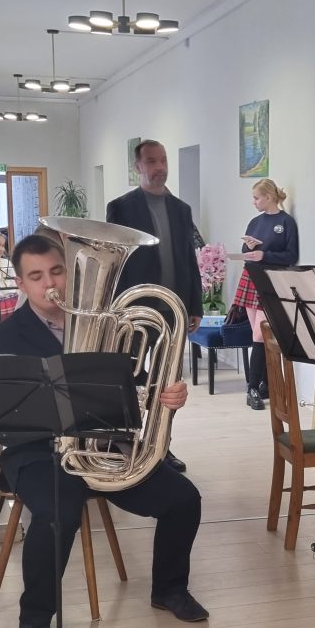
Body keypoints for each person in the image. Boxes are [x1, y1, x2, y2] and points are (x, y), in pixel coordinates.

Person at [0, 234, 208, 628]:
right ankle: (35, 620)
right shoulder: (2, 340)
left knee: (184, 499)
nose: (50, 283)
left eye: (57, 271)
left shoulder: (110, 324)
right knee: (57, 513)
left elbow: (140, 385)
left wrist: (166, 395)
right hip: (38, 452)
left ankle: (170, 589)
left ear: (69, 273)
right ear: (21, 283)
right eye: (36, 276)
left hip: (104, 446)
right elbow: (8, 423)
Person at [106, 139, 204, 472]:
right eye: (151, 161)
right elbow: (115, 261)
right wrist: (117, 311)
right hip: (135, 311)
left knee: (168, 383)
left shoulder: (182, 209)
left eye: (163, 160)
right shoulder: (120, 207)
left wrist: (195, 306)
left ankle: (162, 446)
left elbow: (189, 260)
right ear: (138, 167)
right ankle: (127, 443)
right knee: (129, 378)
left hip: (174, 311)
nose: (159, 167)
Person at [232, 179, 299, 410]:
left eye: (256, 198)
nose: (254, 202)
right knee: (256, 334)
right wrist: (250, 248)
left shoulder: (286, 222)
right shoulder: (255, 222)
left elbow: (291, 256)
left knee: (260, 334)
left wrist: (265, 255)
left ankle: (251, 388)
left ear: (268, 197)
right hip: (251, 278)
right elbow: (245, 251)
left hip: (272, 280)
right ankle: (265, 384)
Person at [0, 228, 18, 327]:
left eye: (3, 246)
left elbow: (14, 282)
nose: (2, 249)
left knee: (12, 327)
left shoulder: (7, 263)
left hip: (12, 300)